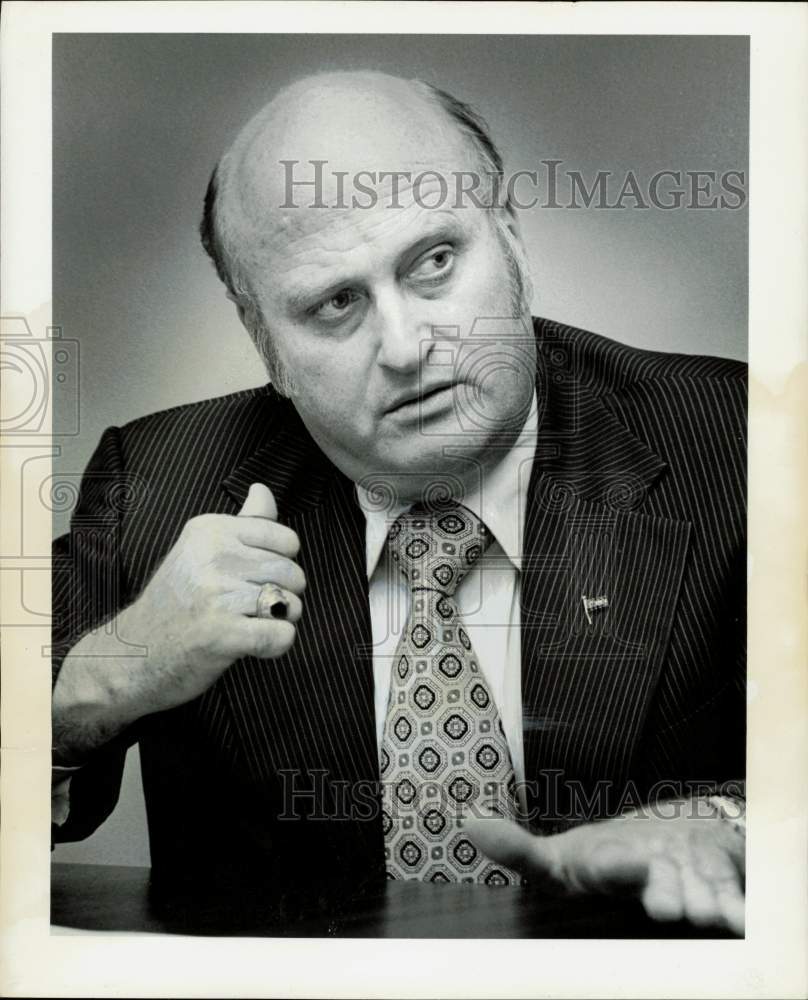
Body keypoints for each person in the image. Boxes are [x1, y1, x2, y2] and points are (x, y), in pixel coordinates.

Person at [51, 71, 746, 932]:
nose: (409, 346)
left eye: (435, 263)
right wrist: (102, 678)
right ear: (263, 339)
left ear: (514, 242)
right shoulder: (154, 486)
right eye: (337, 302)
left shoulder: (742, 440)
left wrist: (734, 823)